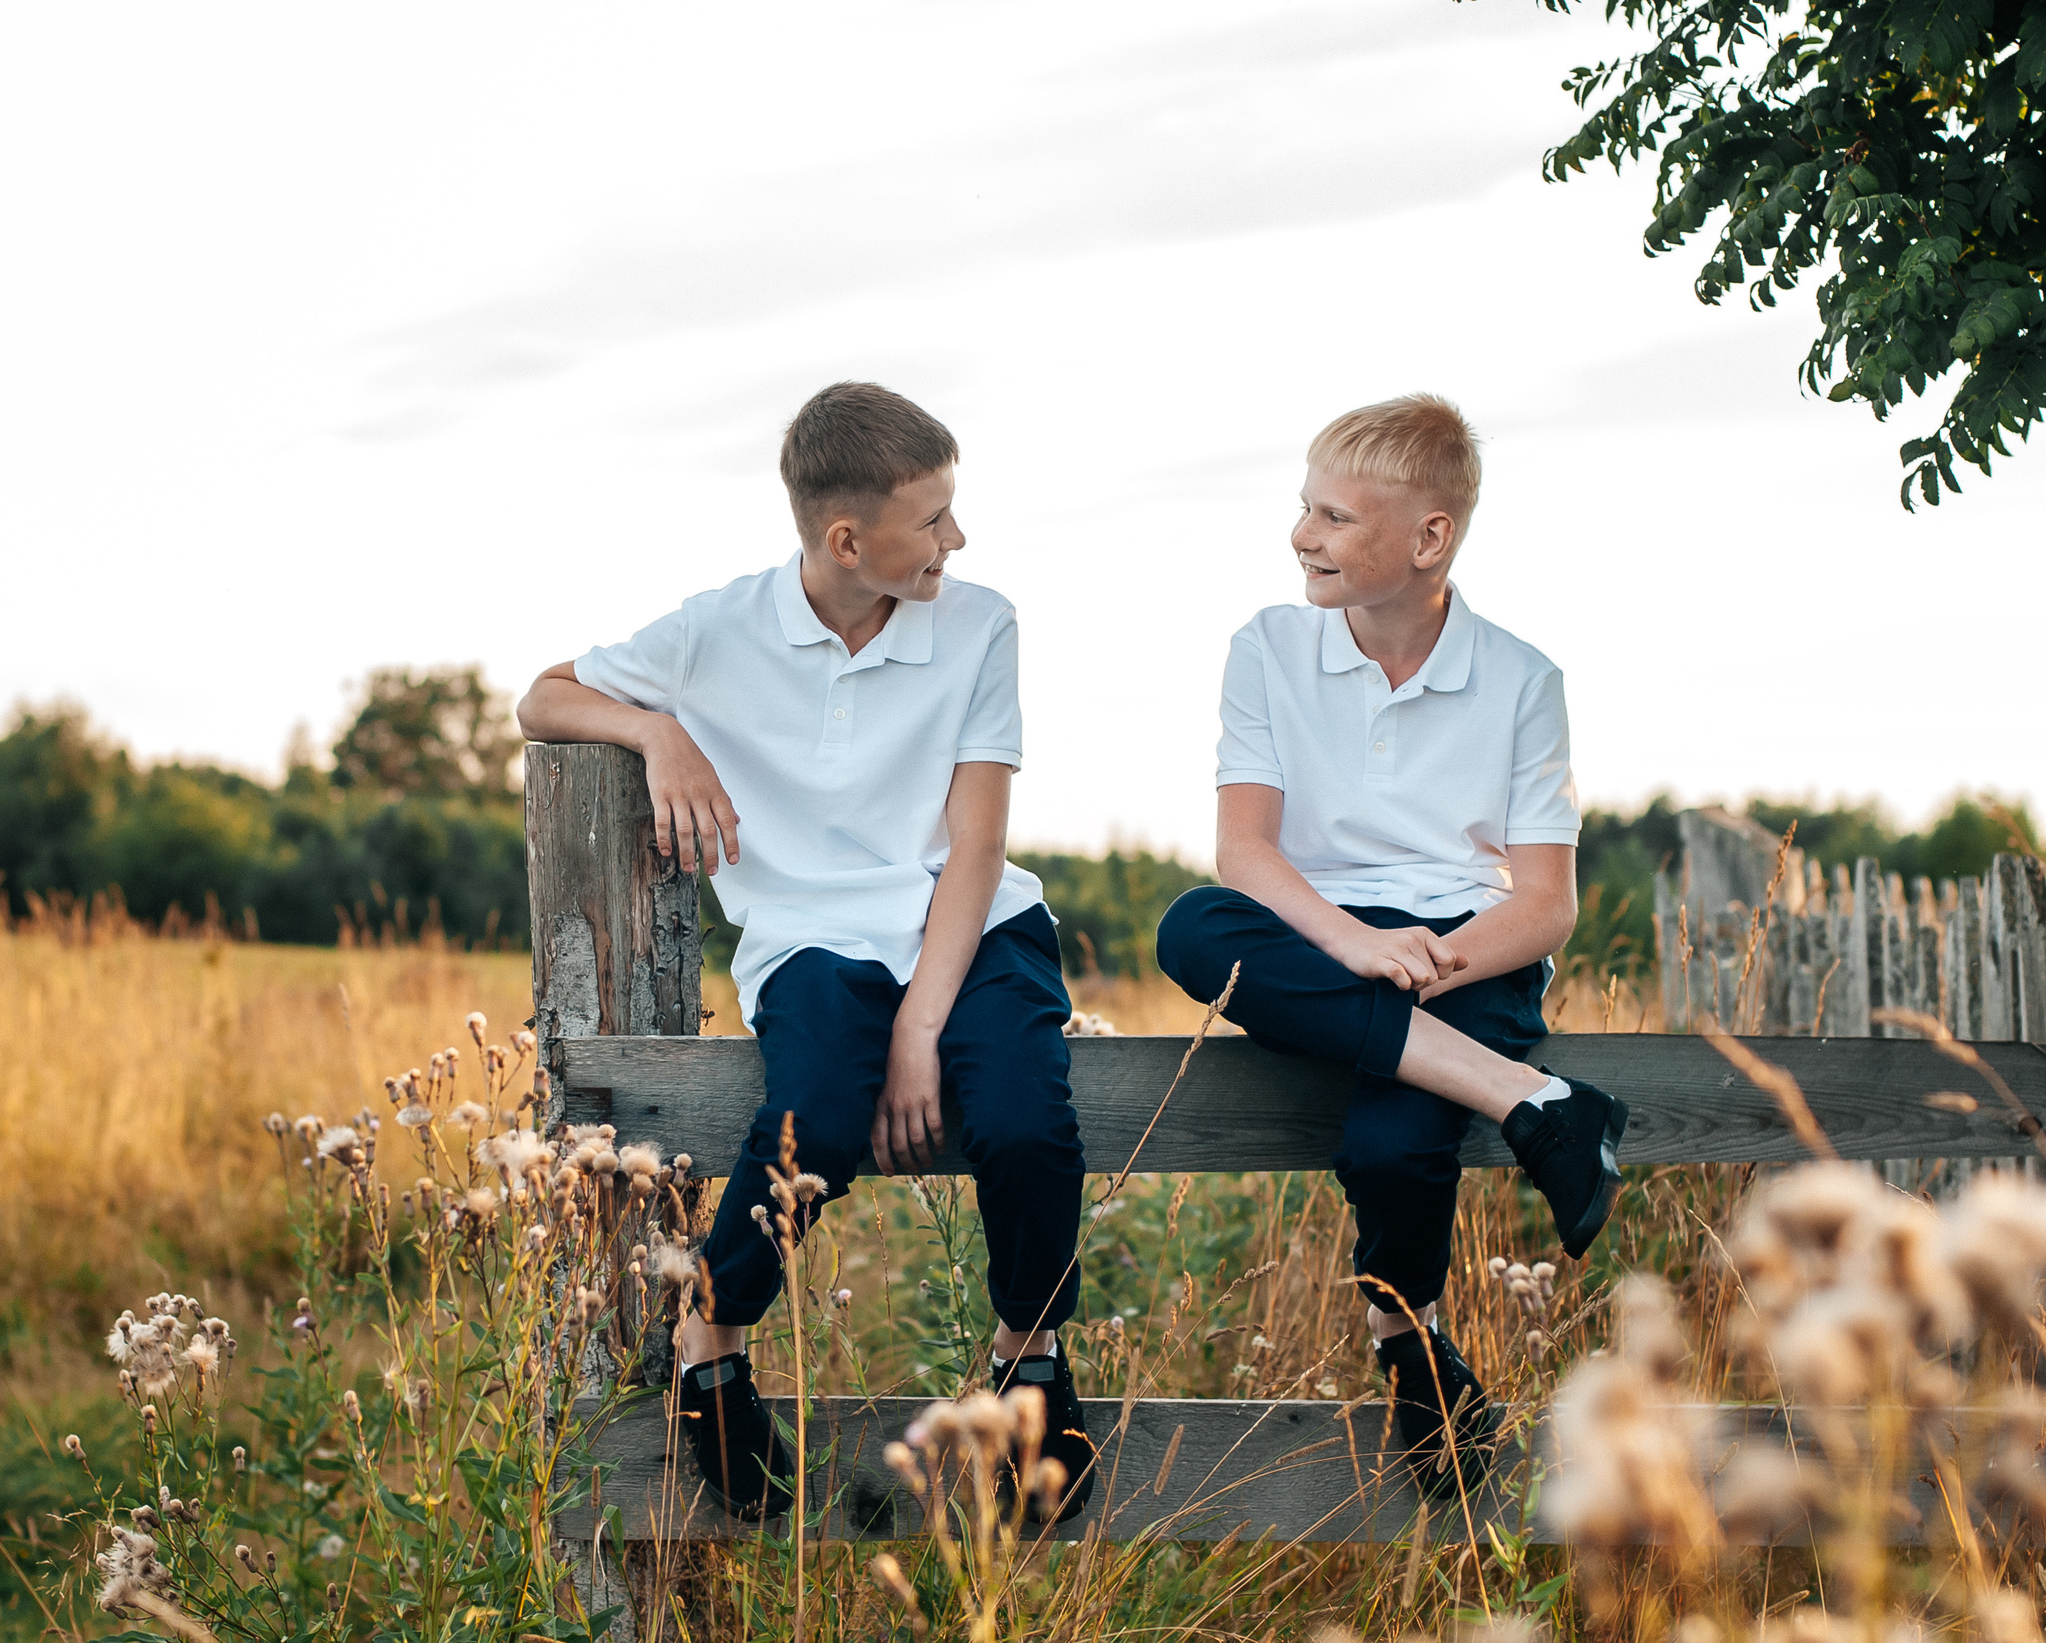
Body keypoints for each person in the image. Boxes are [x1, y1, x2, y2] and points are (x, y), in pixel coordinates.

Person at [515, 382, 1095, 1523]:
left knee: (1024, 1118)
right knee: (817, 1120)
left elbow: (977, 842)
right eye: (932, 518)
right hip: (811, 937)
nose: (956, 538)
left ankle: (1029, 1355)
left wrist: (921, 1028)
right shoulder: (718, 630)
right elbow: (543, 696)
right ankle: (711, 1340)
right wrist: (655, 728)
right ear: (847, 537)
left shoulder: (980, 621)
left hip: (970, 923)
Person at [1154, 393, 1625, 1500]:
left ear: (1428, 537)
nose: (1300, 535)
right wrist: (1354, 942)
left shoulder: (1520, 678)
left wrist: (1430, 958)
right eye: (1301, 507)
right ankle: (1533, 1097)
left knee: (1388, 1148)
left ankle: (1406, 1340)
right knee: (1189, 926)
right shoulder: (1266, 646)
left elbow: (1545, 903)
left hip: (1469, 944)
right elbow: (1245, 852)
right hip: (1314, 933)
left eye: (1331, 515)